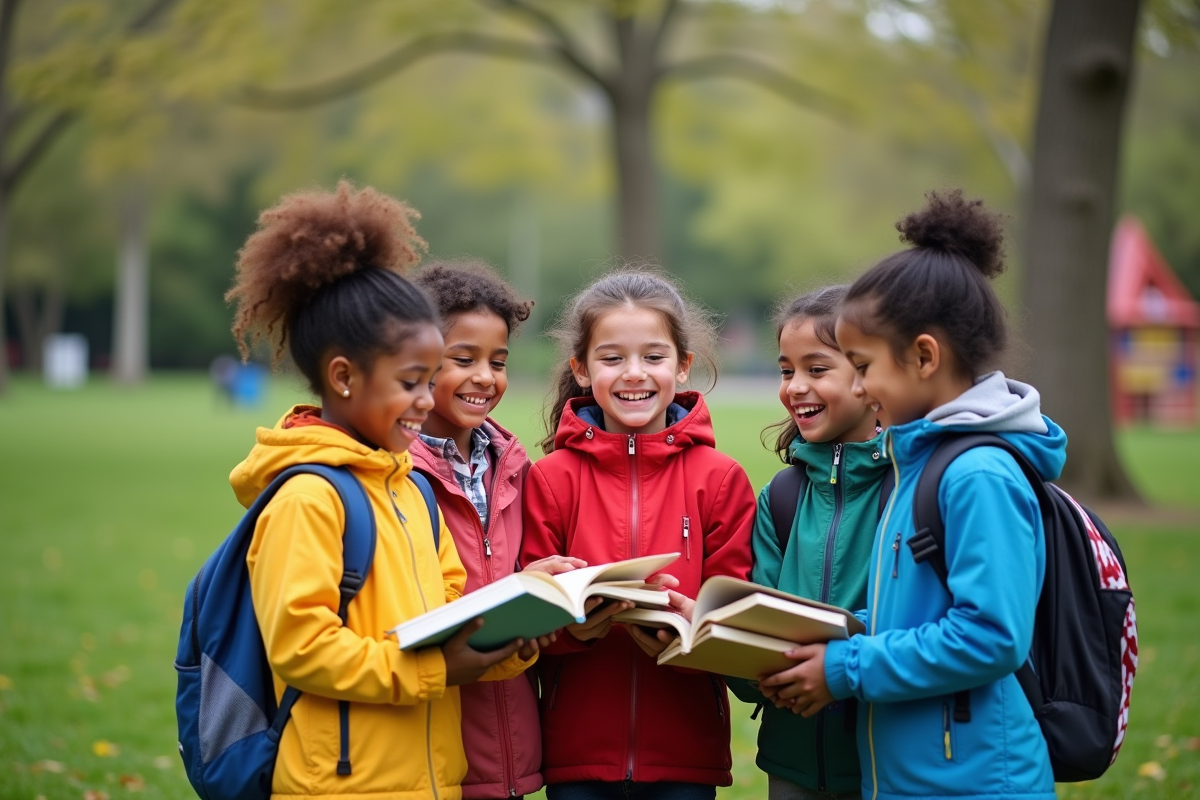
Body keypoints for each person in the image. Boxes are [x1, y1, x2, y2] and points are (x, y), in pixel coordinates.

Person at [224, 181, 550, 800]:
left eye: (430, 381)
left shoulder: (411, 491)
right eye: (411, 382)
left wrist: (520, 626)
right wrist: (435, 669)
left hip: (430, 781)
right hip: (342, 786)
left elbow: (450, 614)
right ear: (343, 377)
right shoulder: (308, 498)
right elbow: (303, 649)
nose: (427, 402)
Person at [763, 190, 1063, 800]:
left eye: (863, 364)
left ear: (924, 356)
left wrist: (845, 668)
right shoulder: (921, 465)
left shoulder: (977, 475)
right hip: (916, 774)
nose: (864, 386)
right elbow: (912, 615)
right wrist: (833, 636)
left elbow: (990, 636)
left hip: (972, 779)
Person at [519, 268, 756, 800]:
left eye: (653, 357)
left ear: (683, 365)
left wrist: (689, 629)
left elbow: (735, 608)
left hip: (684, 754)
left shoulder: (721, 478)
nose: (634, 374)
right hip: (576, 755)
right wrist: (570, 631)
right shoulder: (551, 478)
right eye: (611, 358)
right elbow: (527, 606)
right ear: (581, 370)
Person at [411, 260, 586, 800]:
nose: (485, 377)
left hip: (513, 751)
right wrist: (514, 590)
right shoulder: (396, 472)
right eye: (463, 359)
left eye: (498, 361)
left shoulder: (512, 465)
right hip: (432, 751)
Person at [726, 285, 889, 800]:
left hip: (885, 762)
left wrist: (834, 670)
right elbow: (759, 618)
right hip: (791, 766)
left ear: (870, 373)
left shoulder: (913, 488)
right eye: (785, 370)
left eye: (817, 369)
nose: (795, 387)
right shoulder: (783, 494)